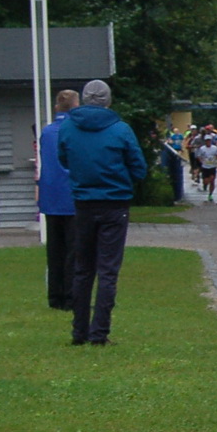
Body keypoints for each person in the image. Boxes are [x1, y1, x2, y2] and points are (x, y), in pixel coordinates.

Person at [58, 80, 146, 345]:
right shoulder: (120, 130)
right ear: (108, 101)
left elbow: (64, 159)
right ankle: (100, 333)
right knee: (108, 270)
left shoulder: (68, 127)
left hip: (83, 203)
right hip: (114, 204)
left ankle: (79, 331)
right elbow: (138, 167)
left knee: (82, 268)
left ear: (84, 99)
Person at [37, 89, 81, 310]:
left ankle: (55, 296)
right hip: (72, 196)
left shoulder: (47, 132)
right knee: (73, 250)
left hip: (50, 196)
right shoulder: (77, 131)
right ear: (76, 106)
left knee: (54, 250)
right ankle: (71, 296)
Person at [193, 131, 217, 203]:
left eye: (209, 140)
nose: (208, 142)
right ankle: (205, 185)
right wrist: (201, 161)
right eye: (206, 141)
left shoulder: (215, 148)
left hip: (212, 166)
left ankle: (210, 194)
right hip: (205, 167)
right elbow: (199, 156)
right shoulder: (202, 148)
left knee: (212, 180)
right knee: (206, 181)